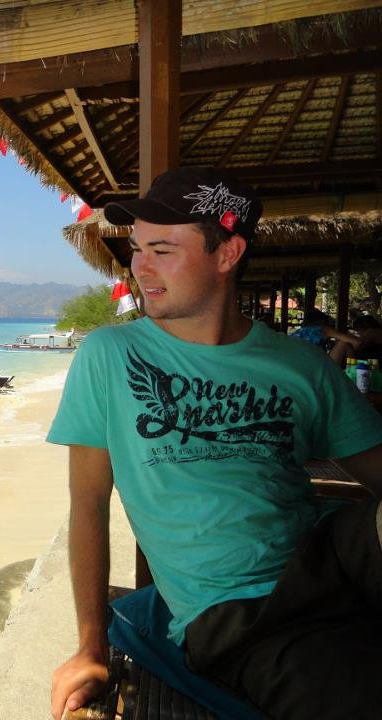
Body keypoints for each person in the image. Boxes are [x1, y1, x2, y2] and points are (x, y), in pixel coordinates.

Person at [46, 167, 382, 720]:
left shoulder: (299, 364)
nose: (140, 268)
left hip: (331, 553)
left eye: (162, 250)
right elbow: (88, 505)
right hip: (237, 615)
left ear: (226, 254)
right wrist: (91, 646)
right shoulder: (110, 356)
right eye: (135, 249)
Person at [291, 308, 362, 365]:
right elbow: (357, 342)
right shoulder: (323, 329)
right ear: (322, 321)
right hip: (315, 368)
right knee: (343, 343)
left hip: (296, 366)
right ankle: (353, 372)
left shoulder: (298, 332)